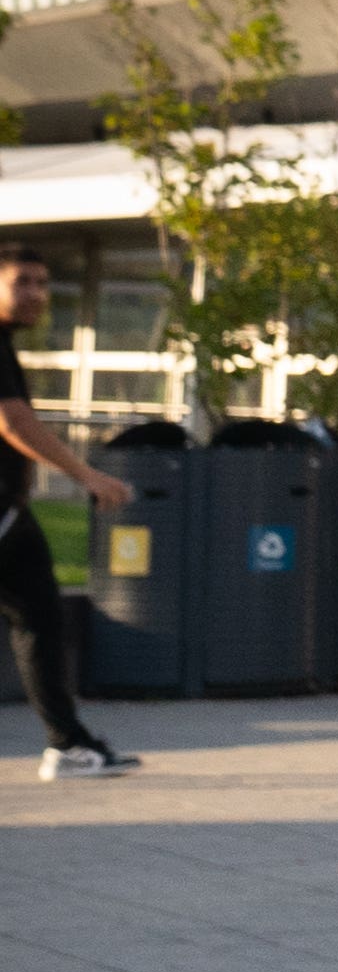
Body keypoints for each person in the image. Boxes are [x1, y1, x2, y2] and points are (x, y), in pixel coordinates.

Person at [0, 249, 138, 779]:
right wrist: (88, 476)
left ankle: (68, 743)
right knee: (37, 619)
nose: (36, 294)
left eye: (42, 283)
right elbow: (13, 422)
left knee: (39, 618)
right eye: (22, 282)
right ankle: (66, 743)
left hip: (11, 514)